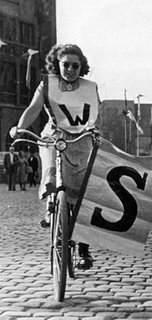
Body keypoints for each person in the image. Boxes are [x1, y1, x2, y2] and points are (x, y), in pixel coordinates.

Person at [10, 43, 102, 270]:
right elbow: (34, 107)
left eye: (75, 65)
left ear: (81, 67)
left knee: (84, 193)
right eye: (65, 64)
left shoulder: (90, 87)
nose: (70, 69)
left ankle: (84, 249)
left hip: (80, 138)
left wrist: (95, 131)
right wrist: (19, 128)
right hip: (54, 135)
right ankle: (52, 207)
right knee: (51, 170)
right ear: (56, 64)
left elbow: (93, 114)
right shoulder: (47, 85)